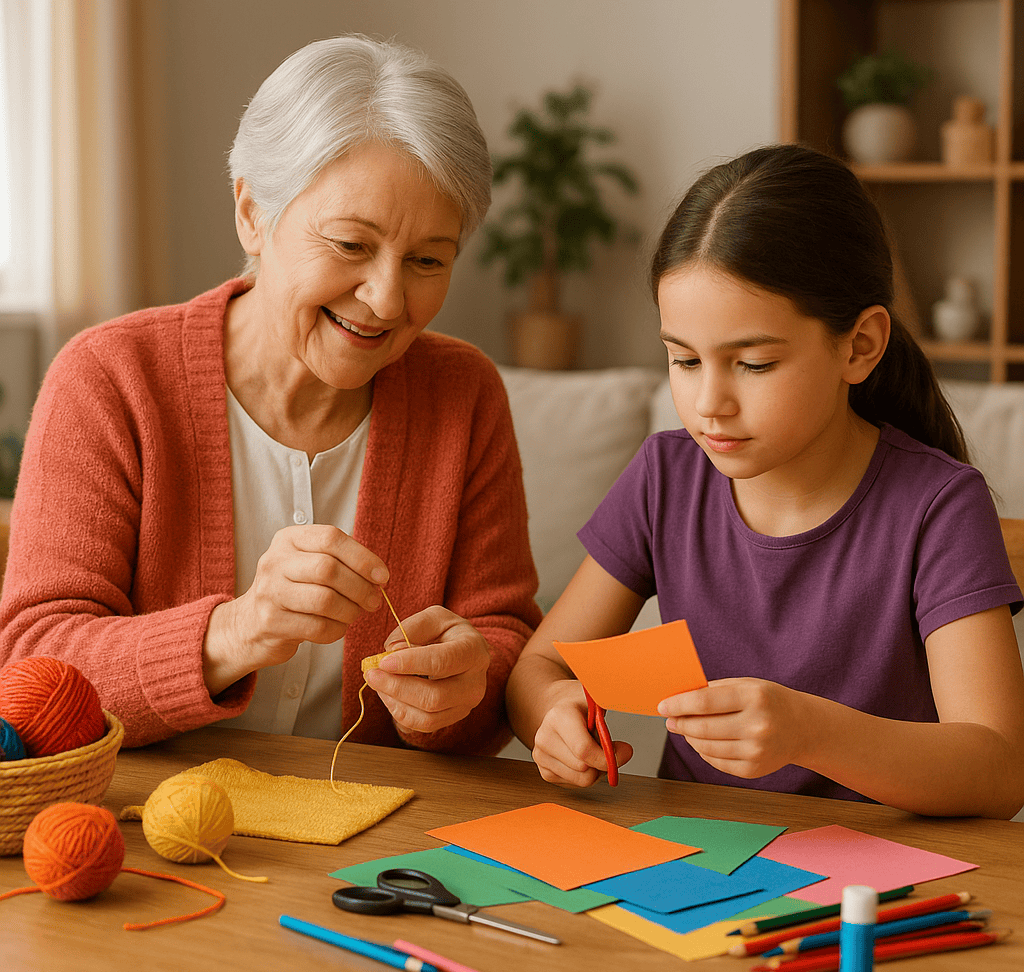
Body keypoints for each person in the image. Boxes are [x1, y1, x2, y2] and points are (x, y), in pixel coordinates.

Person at [0, 35, 541, 753]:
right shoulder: (110, 380)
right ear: (253, 214)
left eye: (427, 260)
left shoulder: (463, 394)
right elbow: (35, 662)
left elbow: (504, 635)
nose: (384, 299)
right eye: (351, 244)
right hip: (148, 824)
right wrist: (238, 629)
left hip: (380, 830)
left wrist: (466, 685)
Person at [506, 144, 1024, 818]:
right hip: (694, 860)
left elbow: (998, 767)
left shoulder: (938, 506)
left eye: (752, 363)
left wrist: (808, 732)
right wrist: (551, 715)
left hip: (881, 879)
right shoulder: (665, 478)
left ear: (859, 346)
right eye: (685, 360)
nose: (709, 402)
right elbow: (536, 671)